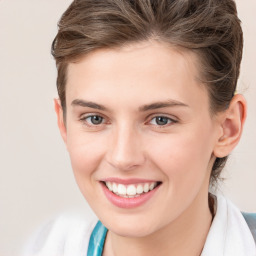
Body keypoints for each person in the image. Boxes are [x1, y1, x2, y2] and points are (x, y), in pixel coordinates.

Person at [24, 0, 256, 255]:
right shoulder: (44, 246)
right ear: (63, 123)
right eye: (95, 119)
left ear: (227, 128)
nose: (123, 158)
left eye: (161, 120)